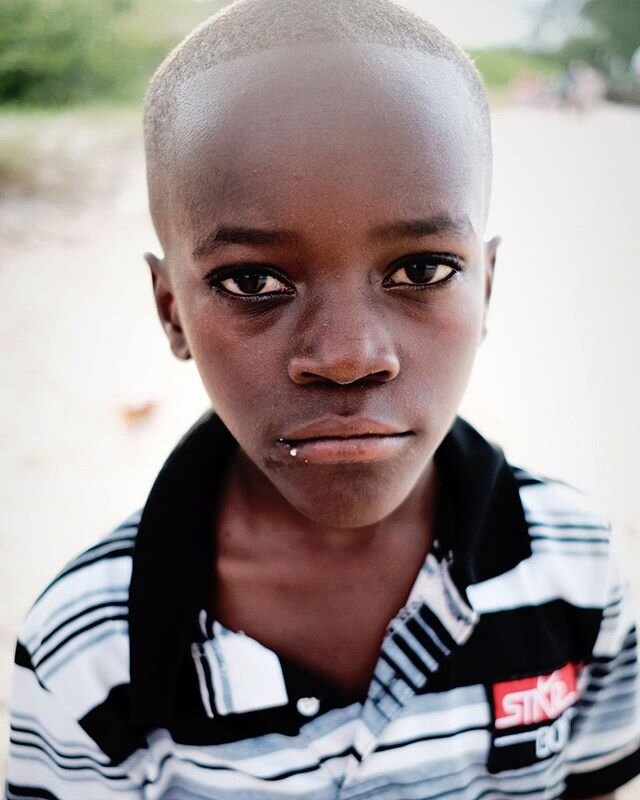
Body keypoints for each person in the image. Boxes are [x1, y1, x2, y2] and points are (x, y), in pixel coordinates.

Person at [5, 0, 640, 797]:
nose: (347, 358)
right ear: (172, 311)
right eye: (253, 282)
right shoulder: (86, 647)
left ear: (487, 285)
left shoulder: (577, 570)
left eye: (421, 270)